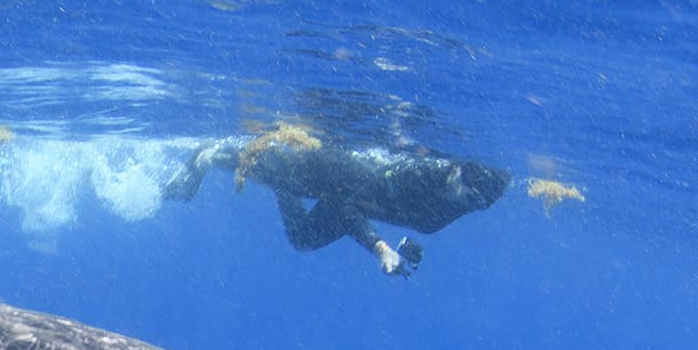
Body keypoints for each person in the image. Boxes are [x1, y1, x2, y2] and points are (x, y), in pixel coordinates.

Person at [164, 132, 509, 276]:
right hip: (335, 170)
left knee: (302, 238)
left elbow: (357, 209)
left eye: (478, 201)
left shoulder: (455, 205)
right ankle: (206, 155)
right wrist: (380, 248)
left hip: (352, 198)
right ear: (458, 169)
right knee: (280, 173)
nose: (468, 200)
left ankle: (279, 184)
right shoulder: (417, 175)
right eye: (469, 189)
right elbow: (350, 208)